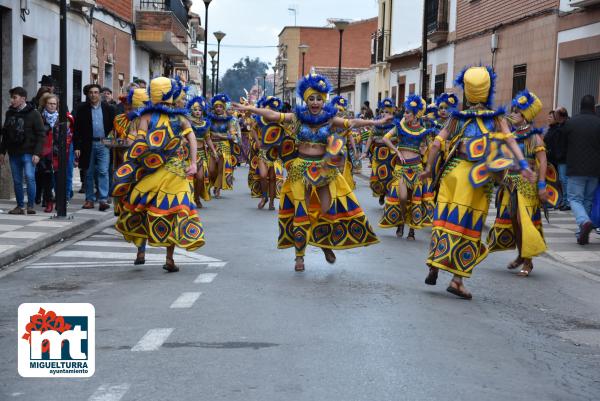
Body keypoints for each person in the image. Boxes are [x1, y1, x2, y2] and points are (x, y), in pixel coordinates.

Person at [232, 72, 387, 272]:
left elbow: (353, 123)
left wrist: (375, 123)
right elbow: (273, 116)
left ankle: (324, 244)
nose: (315, 102)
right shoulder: (298, 118)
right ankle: (299, 257)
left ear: (324, 100)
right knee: (301, 213)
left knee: (326, 211)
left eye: (319, 99)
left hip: (323, 170)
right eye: (311, 98)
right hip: (300, 168)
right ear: (306, 100)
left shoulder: (330, 119)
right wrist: (249, 108)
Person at [419, 66, 534, 299]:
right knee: (467, 227)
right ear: (488, 90)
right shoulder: (496, 118)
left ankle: (434, 265)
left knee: (444, 220)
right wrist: (523, 165)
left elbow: (435, 144)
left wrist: (429, 169)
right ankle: (457, 280)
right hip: (476, 178)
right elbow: (511, 142)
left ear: (467, 91)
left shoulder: (456, 117)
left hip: (452, 173)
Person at [112, 77, 204, 272]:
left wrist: (129, 158)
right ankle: (169, 259)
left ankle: (141, 252)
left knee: (142, 208)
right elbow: (192, 139)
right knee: (175, 211)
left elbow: (139, 144)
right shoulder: (180, 118)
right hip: (176, 172)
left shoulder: (146, 117)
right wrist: (194, 163)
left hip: (150, 171)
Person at [487, 89, 558, 276]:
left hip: (527, 184)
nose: (513, 114)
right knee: (513, 221)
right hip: (510, 183)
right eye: (513, 110)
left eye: (517, 111)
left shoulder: (534, 137)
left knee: (524, 220)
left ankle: (528, 262)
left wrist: (542, 185)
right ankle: (521, 254)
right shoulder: (509, 135)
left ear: (526, 116)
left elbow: (542, 161)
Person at [379, 95, 432, 240]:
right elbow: (385, 138)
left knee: (415, 200)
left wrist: (424, 149)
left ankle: (412, 230)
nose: (405, 114)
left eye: (408, 112)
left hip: (416, 168)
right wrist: (396, 151)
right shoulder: (399, 128)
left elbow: (432, 146)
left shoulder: (423, 131)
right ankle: (402, 221)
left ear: (415, 115)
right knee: (402, 197)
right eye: (405, 112)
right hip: (401, 168)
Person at [0, 87, 45, 214]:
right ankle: (20, 206)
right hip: (14, 152)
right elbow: (6, 133)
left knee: (30, 177)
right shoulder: (10, 113)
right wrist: (2, 152)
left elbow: (41, 135)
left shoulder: (34, 113)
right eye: (12, 97)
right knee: (17, 180)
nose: (12, 100)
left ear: (23, 98)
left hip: (29, 152)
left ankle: (30, 206)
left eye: (15, 97)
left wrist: (37, 153)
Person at [563, 95, 600, 245]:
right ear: (593, 107)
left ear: (580, 106)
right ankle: (581, 233)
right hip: (595, 169)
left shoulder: (571, 123)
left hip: (575, 167)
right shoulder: (599, 123)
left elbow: (564, 144)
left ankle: (584, 222)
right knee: (588, 200)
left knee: (574, 199)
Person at [73, 84, 116, 211]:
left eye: (96, 92)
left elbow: (114, 127)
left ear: (100, 94)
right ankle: (89, 199)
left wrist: (111, 141)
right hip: (88, 144)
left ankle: (103, 199)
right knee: (88, 172)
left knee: (103, 171)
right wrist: (77, 146)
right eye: (91, 92)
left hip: (104, 143)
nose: (93, 95)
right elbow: (77, 130)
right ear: (88, 94)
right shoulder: (82, 109)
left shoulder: (109, 108)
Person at [35, 93, 74, 213]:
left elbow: (69, 135)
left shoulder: (63, 117)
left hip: (59, 152)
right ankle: (48, 202)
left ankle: (60, 202)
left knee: (59, 179)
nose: (52, 106)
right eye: (50, 103)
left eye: (54, 104)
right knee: (46, 178)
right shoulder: (39, 117)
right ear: (45, 104)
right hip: (44, 152)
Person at [249, 96, 286, 210]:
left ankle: (271, 202)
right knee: (263, 176)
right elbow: (253, 129)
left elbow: (287, 134)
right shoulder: (260, 120)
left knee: (273, 178)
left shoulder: (281, 121)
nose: (272, 112)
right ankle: (264, 197)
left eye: (275, 110)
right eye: (270, 110)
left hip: (276, 154)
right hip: (263, 152)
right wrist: (257, 140)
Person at [360, 98, 397, 205]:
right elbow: (370, 138)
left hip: (391, 154)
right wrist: (365, 152)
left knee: (390, 175)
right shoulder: (376, 124)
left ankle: (389, 196)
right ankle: (381, 194)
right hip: (378, 153)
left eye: (387, 112)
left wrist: (388, 140)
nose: (384, 114)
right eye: (382, 112)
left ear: (392, 113)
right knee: (378, 175)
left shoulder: (396, 125)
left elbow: (399, 139)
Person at [186, 95, 217, 208]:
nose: (198, 112)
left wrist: (213, 150)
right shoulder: (187, 122)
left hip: (202, 153)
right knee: (189, 178)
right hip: (189, 153)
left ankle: (197, 198)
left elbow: (207, 138)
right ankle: (189, 199)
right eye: (195, 110)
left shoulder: (205, 123)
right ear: (191, 110)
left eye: (200, 110)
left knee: (200, 178)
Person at [207, 93, 240, 198]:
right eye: (216, 106)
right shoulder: (210, 119)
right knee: (211, 170)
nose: (218, 108)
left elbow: (233, 136)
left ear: (224, 108)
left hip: (224, 147)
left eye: (221, 106)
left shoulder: (229, 120)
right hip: (212, 146)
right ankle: (211, 185)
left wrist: (219, 135)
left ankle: (217, 189)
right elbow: (207, 134)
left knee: (221, 170)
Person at [329, 96, 358, 190]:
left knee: (342, 170)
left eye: (340, 110)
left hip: (343, 150)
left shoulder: (346, 124)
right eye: (336, 109)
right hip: (330, 150)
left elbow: (350, 136)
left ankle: (341, 189)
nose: (338, 112)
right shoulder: (329, 122)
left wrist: (355, 149)